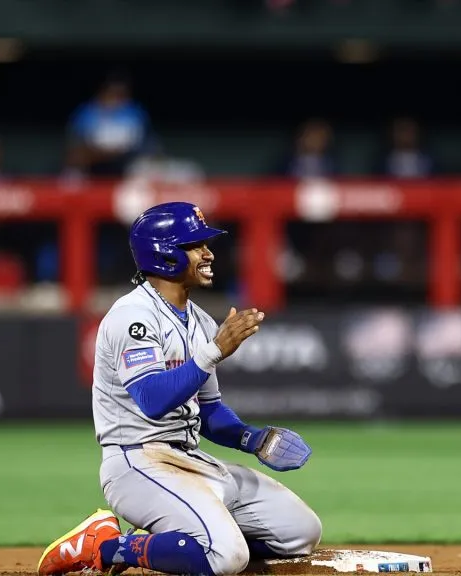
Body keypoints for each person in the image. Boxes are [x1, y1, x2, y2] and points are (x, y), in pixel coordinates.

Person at [37, 202, 322, 576]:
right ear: (165, 254)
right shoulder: (132, 317)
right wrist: (214, 351)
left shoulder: (201, 321)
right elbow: (153, 401)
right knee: (226, 556)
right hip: (137, 463)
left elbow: (209, 412)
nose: (208, 253)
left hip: (190, 460)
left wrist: (253, 439)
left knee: (300, 533)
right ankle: (104, 546)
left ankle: (179, 538)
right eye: (195, 245)